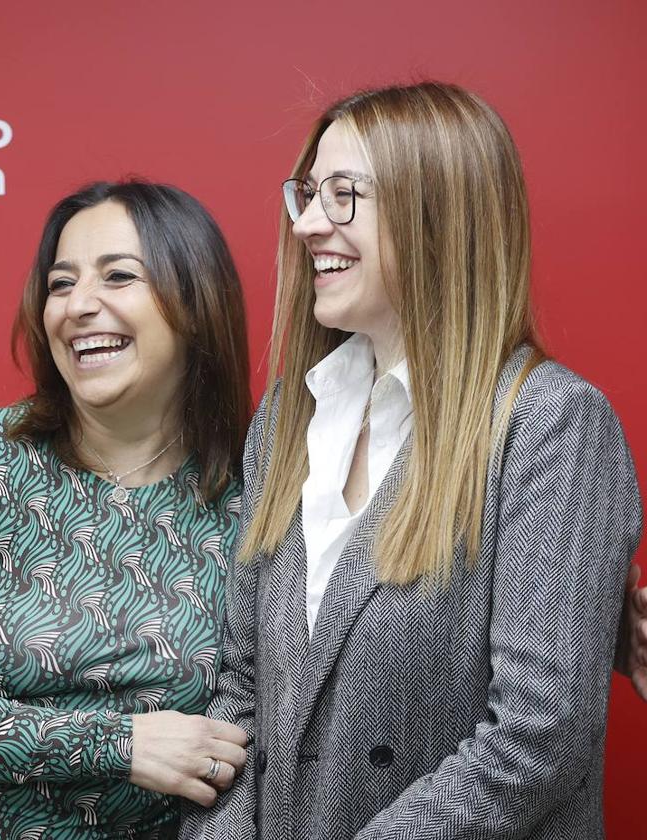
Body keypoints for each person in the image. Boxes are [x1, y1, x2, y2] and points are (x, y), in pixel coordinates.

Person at [180, 81, 643, 840]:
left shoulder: (550, 423)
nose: (308, 224)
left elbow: (538, 738)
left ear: (438, 212)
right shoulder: (286, 422)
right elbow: (244, 688)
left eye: (343, 195)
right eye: (307, 193)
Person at [0, 181, 254, 838]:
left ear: (196, 302)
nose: (77, 307)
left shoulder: (250, 496)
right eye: (60, 285)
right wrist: (119, 746)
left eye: (118, 276)